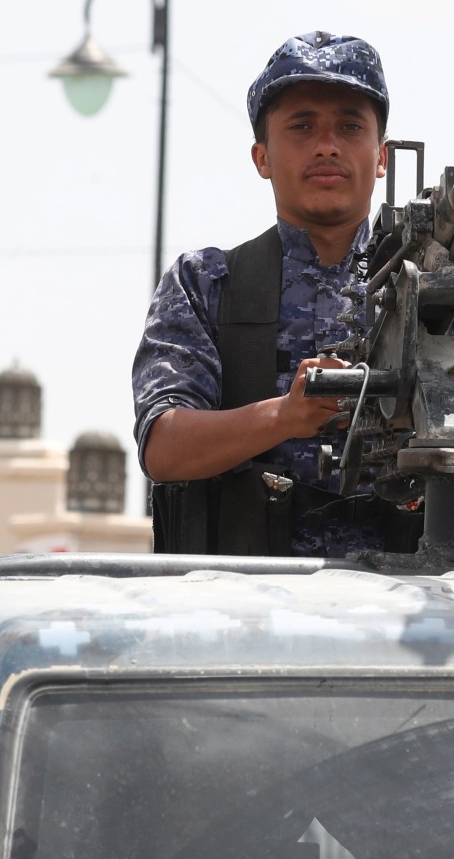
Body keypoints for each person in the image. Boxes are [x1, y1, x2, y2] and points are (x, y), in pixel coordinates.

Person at [132, 31, 416, 557]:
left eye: (350, 126)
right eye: (301, 126)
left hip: (407, 617)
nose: (326, 145)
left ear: (382, 156)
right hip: (247, 616)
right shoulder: (206, 284)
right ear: (262, 157)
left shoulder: (432, 292)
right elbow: (164, 446)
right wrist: (284, 416)